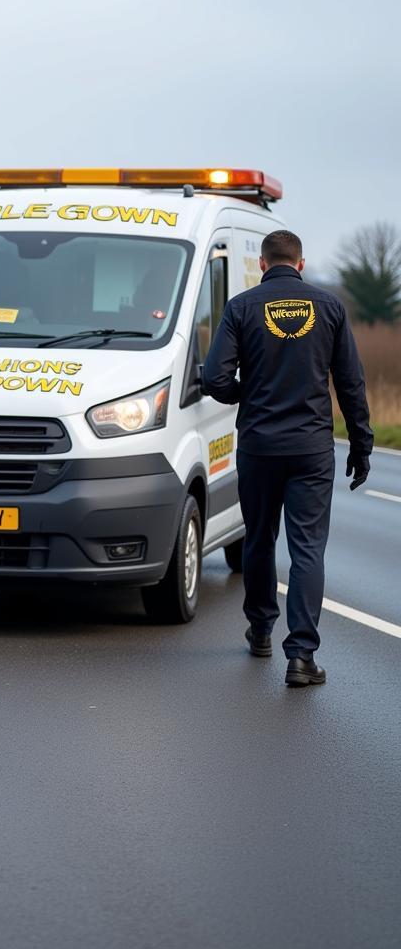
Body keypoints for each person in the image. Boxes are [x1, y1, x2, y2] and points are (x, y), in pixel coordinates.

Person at [202, 229, 373, 687]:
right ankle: (301, 656)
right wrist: (361, 443)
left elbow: (214, 378)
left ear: (262, 264)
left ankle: (260, 630)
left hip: (259, 446)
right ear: (300, 264)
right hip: (312, 449)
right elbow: (351, 383)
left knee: (259, 539)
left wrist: (249, 394)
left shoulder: (240, 308)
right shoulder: (330, 307)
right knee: (307, 549)